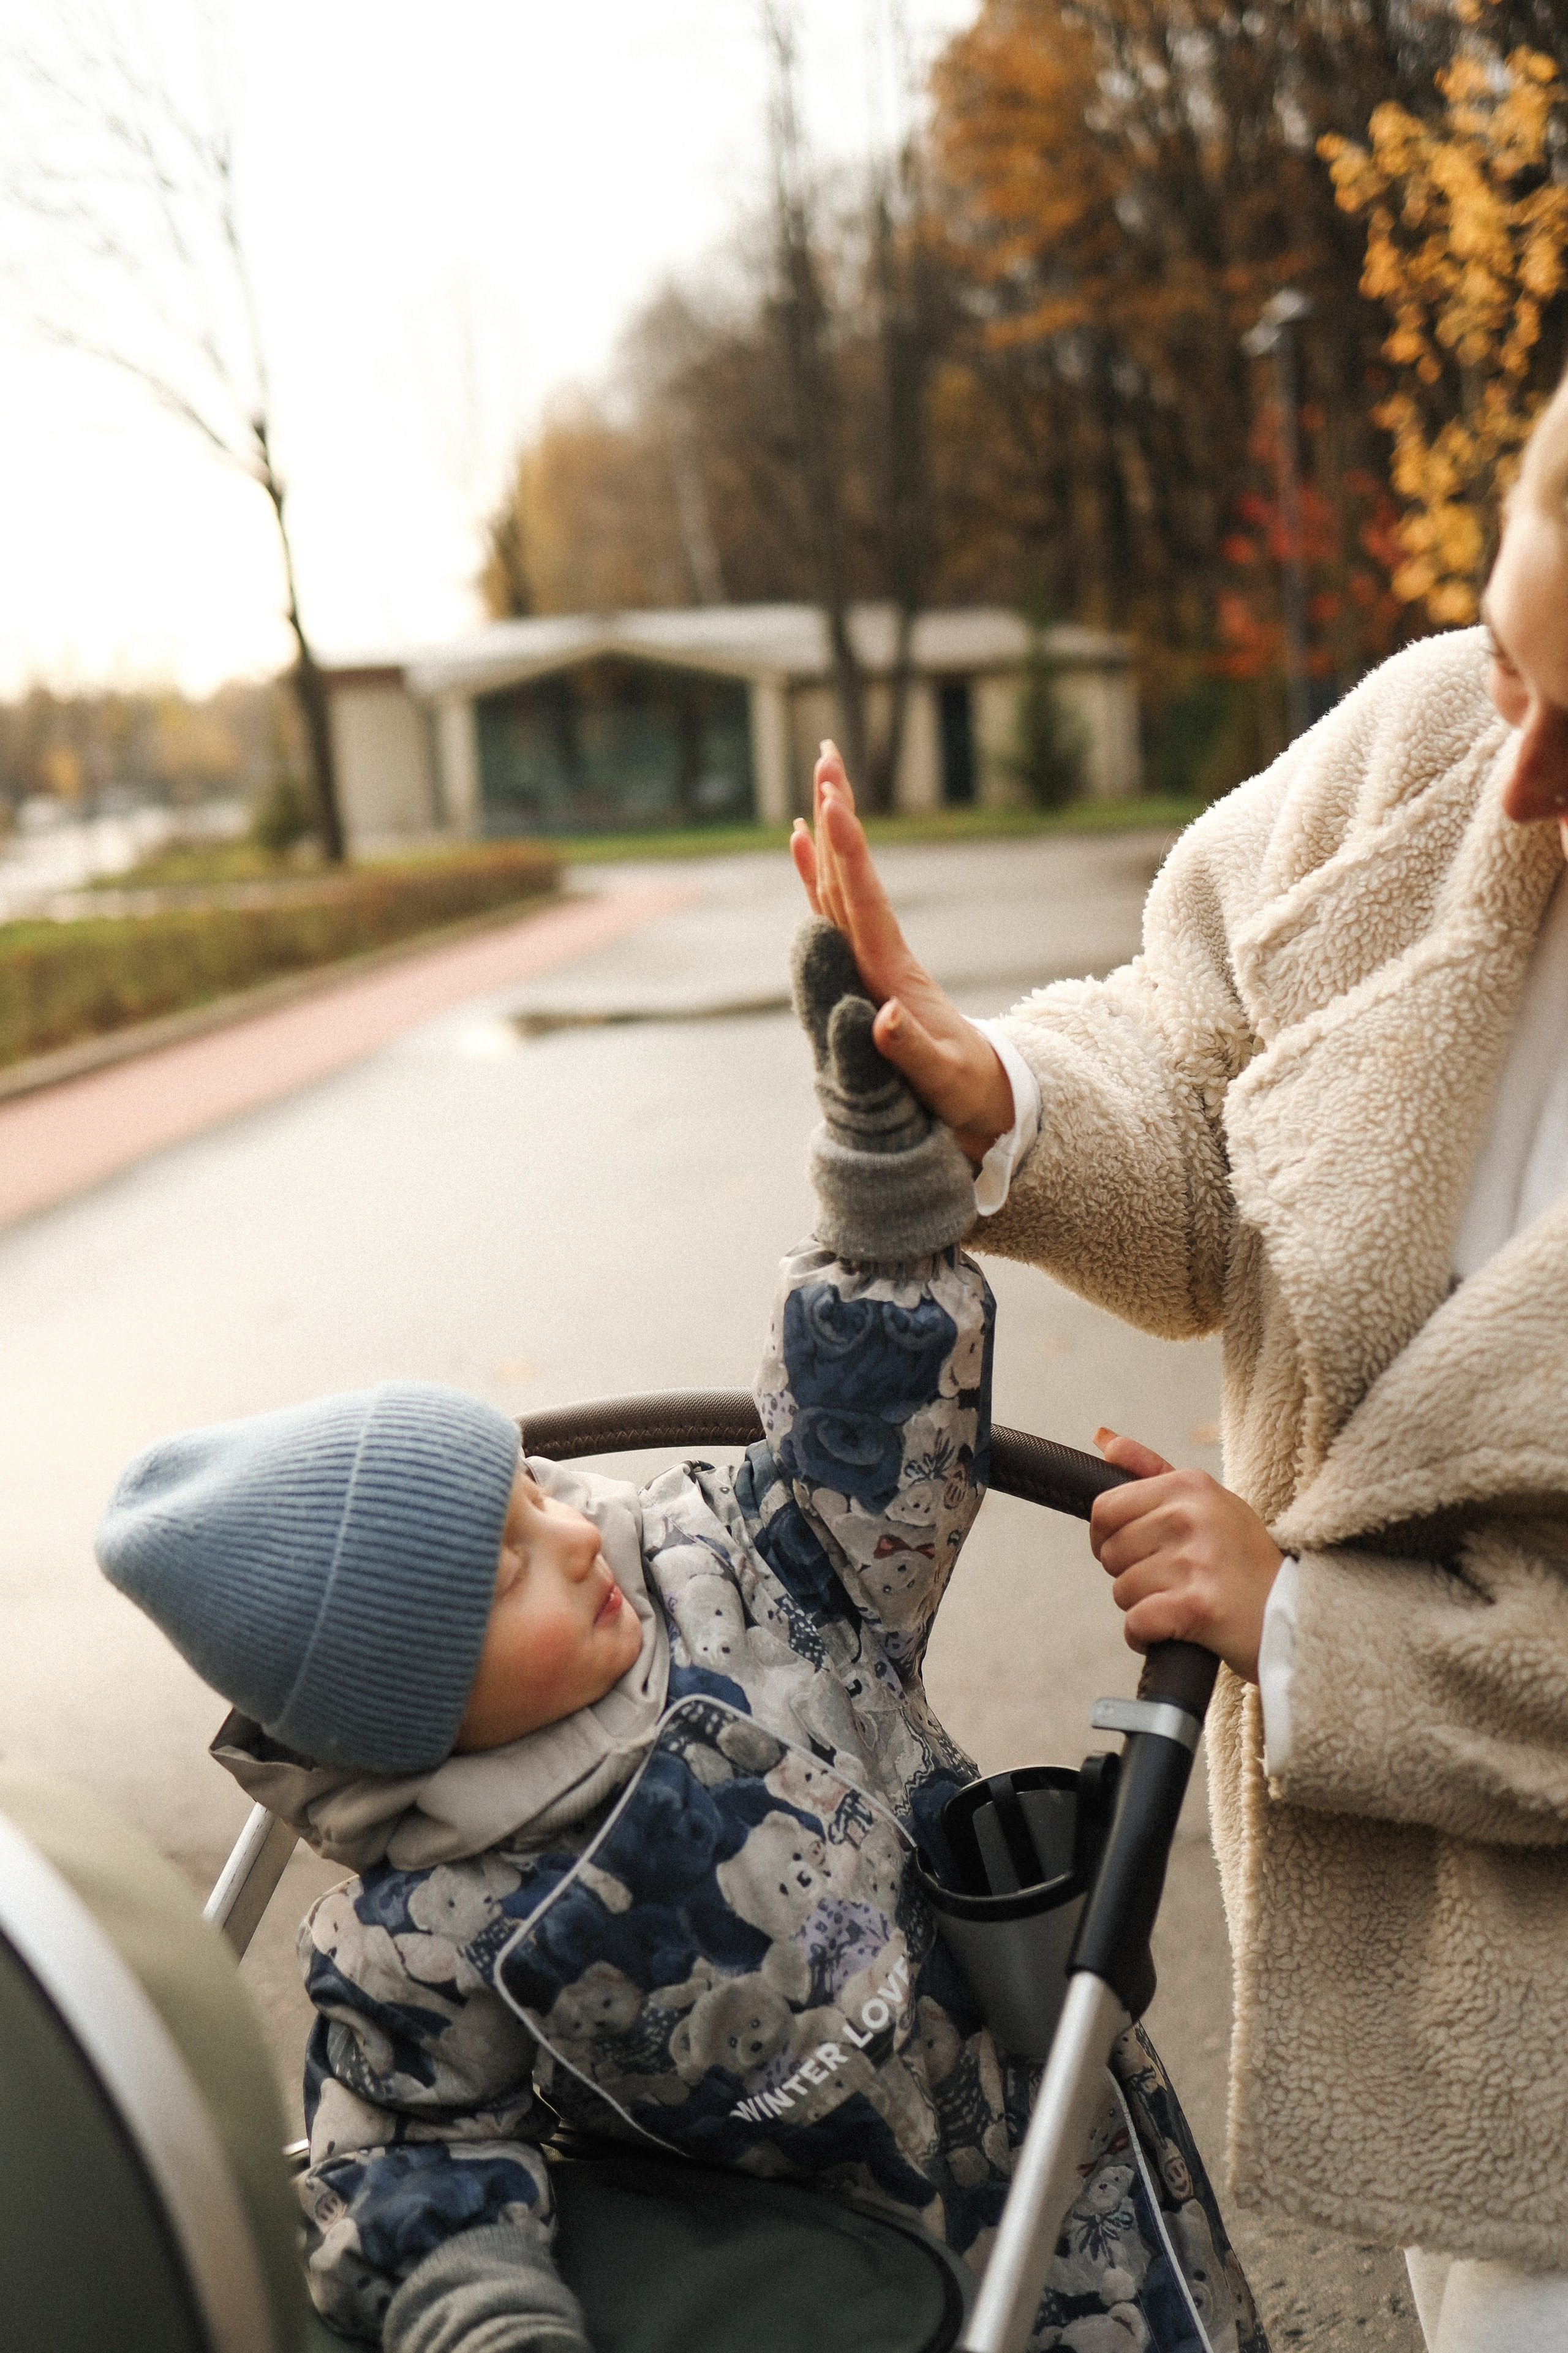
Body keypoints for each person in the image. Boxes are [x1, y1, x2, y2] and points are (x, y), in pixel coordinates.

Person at [96, 926, 1264, 2353]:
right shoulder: (418, 1941)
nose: (579, 1537)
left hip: (1051, 2154)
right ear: (402, 1709)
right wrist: (490, 2314)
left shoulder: (734, 1572)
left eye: (535, 1496)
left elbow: (863, 1451)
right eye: (505, 1571)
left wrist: (883, 1180)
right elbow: (407, 2160)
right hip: (806, 2289)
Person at [790, 369, 1568, 2353]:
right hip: (1426, 1967)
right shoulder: (1428, 746)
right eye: (1512, 660)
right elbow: (1202, 1051)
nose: (1522, 779)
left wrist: (1312, 1629)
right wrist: (1010, 1096)